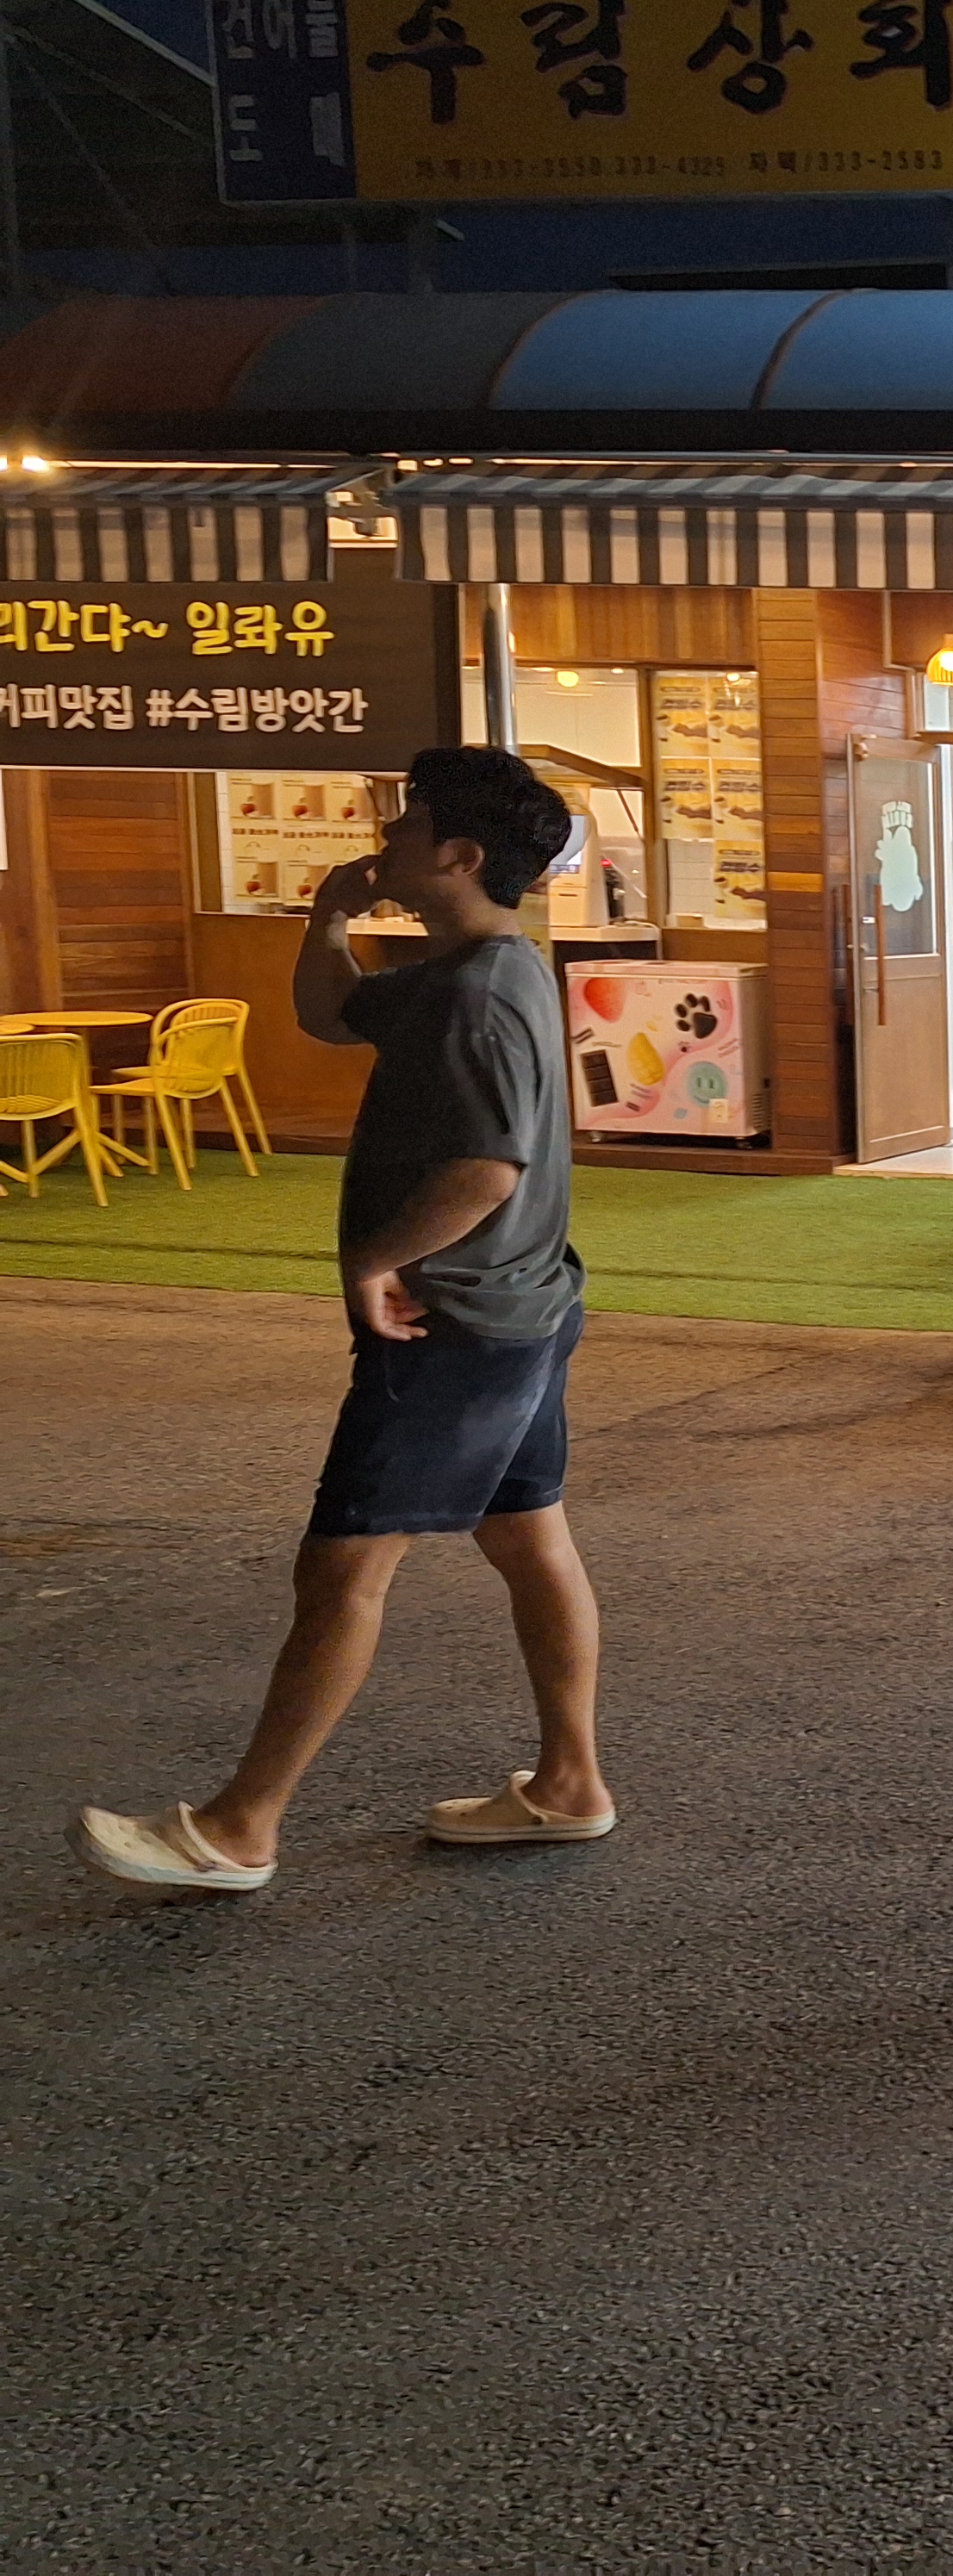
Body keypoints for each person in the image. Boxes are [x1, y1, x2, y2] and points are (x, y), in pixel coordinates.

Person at [73, 746, 611, 1894]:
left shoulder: (477, 996)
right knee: (528, 1537)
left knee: (344, 1569)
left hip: (453, 1322)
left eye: (407, 824)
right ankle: (570, 1784)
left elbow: (486, 1169)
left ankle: (241, 1828)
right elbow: (329, 1014)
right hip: (519, 1308)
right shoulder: (474, 967)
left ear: (458, 854)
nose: (387, 839)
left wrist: (376, 1257)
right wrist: (328, 916)